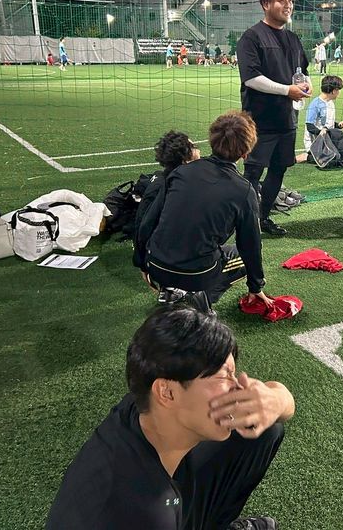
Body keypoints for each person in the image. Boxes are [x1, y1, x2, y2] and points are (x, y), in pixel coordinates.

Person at [47, 306, 295, 530]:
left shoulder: (144, 403)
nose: (238, 388)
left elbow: (283, 402)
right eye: (223, 376)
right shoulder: (145, 513)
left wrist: (275, 401)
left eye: (233, 373)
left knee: (262, 429)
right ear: (167, 392)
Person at [140, 111, 272, 313]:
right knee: (243, 259)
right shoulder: (244, 191)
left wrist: (143, 263)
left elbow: (149, 221)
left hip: (155, 264)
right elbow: (250, 245)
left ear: (211, 140)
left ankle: (171, 291)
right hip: (195, 273)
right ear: (245, 153)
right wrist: (256, 286)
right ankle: (196, 302)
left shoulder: (180, 172)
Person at [236, 0, 311, 237]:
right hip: (259, 122)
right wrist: (287, 90)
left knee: (279, 170)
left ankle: (263, 217)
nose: (288, 5)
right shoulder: (251, 37)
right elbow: (251, 78)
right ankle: (243, 222)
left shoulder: (293, 39)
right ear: (265, 3)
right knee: (252, 174)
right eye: (281, 0)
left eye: (290, 0)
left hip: (287, 121)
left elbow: (302, 71)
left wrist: (306, 84)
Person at [132, 131, 200, 268]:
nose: (199, 150)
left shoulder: (170, 179)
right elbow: (144, 225)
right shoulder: (167, 188)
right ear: (185, 160)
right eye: (194, 147)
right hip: (169, 259)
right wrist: (142, 263)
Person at [296, 74, 343, 163]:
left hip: (328, 140)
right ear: (334, 91)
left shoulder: (330, 103)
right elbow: (309, 126)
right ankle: (307, 156)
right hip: (316, 143)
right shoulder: (315, 104)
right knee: (332, 160)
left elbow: (327, 123)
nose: (339, 92)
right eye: (338, 90)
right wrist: (320, 132)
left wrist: (338, 125)